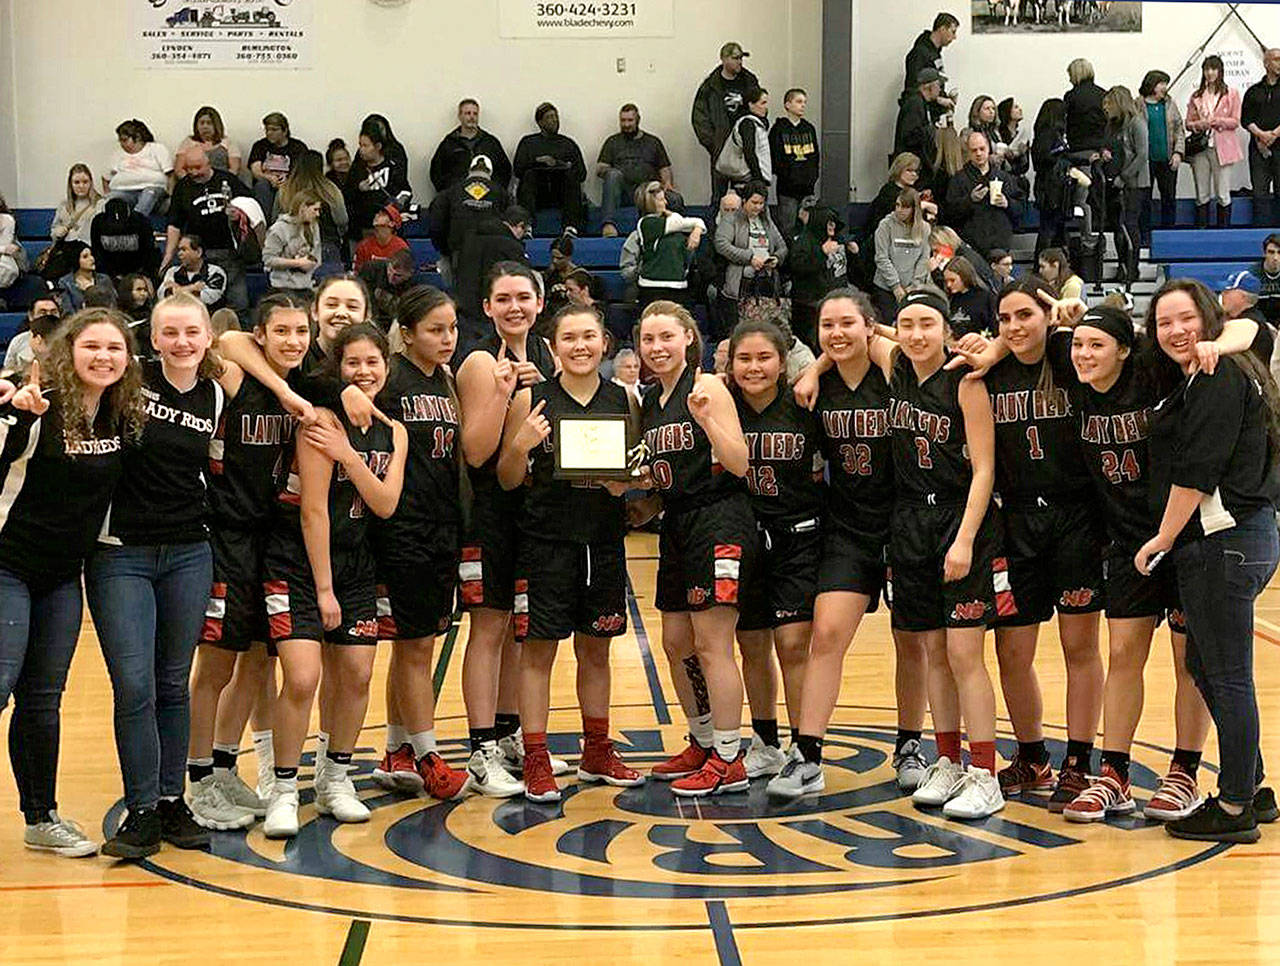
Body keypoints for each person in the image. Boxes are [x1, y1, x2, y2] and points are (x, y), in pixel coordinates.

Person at [953, 279, 1108, 810]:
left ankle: (1078, 761)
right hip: (1017, 521)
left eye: (1026, 315)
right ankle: (1033, 753)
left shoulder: (1070, 356)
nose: (1015, 327)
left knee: (1078, 646)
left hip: (1076, 518)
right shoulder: (991, 371)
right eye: (1005, 318)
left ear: (1047, 315)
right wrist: (991, 347)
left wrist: (1071, 318)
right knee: (1012, 650)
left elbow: (1099, 336)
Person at [86, 293, 231, 857]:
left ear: (207, 336)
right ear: (153, 338)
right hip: (120, 552)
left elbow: (245, 345)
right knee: (135, 685)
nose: (182, 343)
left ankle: (173, 802)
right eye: (170, 333)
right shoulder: (128, 380)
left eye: (192, 332)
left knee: (174, 683)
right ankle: (141, 808)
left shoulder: (215, 392)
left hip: (189, 551)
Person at [1136, 279, 1280, 843]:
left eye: (1186, 318)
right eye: (1164, 322)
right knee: (1205, 665)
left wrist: (1161, 540)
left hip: (1224, 542)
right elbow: (1258, 330)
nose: (1176, 331)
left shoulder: (1220, 376)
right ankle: (1255, 783)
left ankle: (1237, 803)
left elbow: (1195, 474)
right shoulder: (1200, 374)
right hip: (1234, 542)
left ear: (1210, 318)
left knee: (1225, 673)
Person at [0, 307, 145, 857]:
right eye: (92, 347)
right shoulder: (37, 404)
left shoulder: (118, 413)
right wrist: (15, 418)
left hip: (62, 576)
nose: (103, 356)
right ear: (68, 350)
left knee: (42, 699)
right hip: (7, 565)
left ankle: (42, 818)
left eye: (114, 348)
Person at [260, 323, 408, 838]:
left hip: (357, 564)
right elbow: (314, 513)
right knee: (301, 678)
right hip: (300, 563)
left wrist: (349, 456)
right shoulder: (318, 421)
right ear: (337, 371)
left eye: (373, 363)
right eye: (353, 364)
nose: (364, 372)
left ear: (386, 368)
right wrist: (323, 589)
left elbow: (386, 504)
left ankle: (334, 778)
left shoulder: (394, 431)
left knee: (358, 675)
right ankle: (281, 789)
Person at [496, 304, 644, 801]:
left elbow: (633, 479)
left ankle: (596, 750)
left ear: (604, 342)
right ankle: (536, 756)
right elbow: (506, 479)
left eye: (589, 337)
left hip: (602, 542)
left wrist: (622, 483)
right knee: (537, 653)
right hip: (545, 544)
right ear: (554, 346)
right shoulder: (532, 399)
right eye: (569, 338)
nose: (580, 346)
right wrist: (518, 445)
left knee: (596, 651)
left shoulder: (624, 398)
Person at [185, 294, 315, 831]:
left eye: (300, 332)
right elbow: (224, 341)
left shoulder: (312, 383)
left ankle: (222, 765)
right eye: (281, 331)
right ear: (262, 335)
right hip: (226, 534)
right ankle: (196, 781)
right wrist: (280, 386)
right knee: (216, 662)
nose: (293, 341)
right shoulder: (240, 379)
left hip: (275, 541)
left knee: (259, 659)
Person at [881, 289, 1006, 820]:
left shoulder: (967, 381)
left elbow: (984, 470)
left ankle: (985, 772)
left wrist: (964, 540)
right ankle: (948, 759)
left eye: (926, 324)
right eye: (905, 324)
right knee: (932, 652)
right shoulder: (897, 368)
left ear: (945, 328)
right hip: (908, 521)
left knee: (963, 656)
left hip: (959, 518)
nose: (914, 334)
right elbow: (858, 329)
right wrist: (816, 368)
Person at [629, 300, 756, 795]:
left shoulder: (706, 388)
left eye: (666, 337)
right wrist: (640, 500)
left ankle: (729, 756)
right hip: (678, 523)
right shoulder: (652, 401)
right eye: (647, 339)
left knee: (712, 644)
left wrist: (707, 421)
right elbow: (667, 471)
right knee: (676, 641)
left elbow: (740, 462)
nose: (656, 348)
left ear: (688, 338)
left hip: (720, 519)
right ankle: (702, 739)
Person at [455, 263, 569, 795]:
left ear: (540, 303)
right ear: (487, 308)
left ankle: (507, 735)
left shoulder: (550, 358)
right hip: (488, 512)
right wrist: (504, 394)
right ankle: (479, 749)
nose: (515, 307)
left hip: (536, 513)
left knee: (520, 634)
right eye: (504, 298)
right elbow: (476, 451)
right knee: (489, 628)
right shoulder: (481, 361)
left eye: (524, 297)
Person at [368, 287, 474, 800]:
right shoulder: (388, 378)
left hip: (441, 527)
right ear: (406, 333)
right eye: (435, 329)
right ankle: (429, 754)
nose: (447, 338)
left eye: (452, 328)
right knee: (414, 647)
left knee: (417, 646)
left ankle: (396, 748)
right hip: (401, 528)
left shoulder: (446, 380)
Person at [724, 319, 822, 779]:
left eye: (764, 358)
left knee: (793, 643)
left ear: (783, 363)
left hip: (798, 536)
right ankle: (765, 740)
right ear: (729, 363)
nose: (754, 367)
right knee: (751, 644)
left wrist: (818, 369)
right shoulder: (723, 405)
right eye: (744, 358)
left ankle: (807, 747)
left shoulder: (803, 402)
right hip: (744, 537)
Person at [163, 149, 251, 315]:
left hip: (230, 252)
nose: (194, 172)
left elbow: (250, 207)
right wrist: (169, 253)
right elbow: (174, 223)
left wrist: (238, 214)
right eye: (189, 168)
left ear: (208, 163)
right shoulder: (182, 187)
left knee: (238, 303)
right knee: (203, 305)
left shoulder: (227, 180)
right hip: (200, 255)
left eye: (198, 167)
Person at [713, 182, 787, 340]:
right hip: (741, 282)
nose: (758, 207)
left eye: (761, 203)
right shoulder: (731, 219)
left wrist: (776, 258)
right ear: (744, 200)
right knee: (740, 333)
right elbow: (721, 244)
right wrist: (749, 258)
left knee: (766, 332)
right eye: (754, 203)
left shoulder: (767, 221)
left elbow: (782, 246)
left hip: (766, 281)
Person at [597, 103, 682, 237]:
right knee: (613, 175)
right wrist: (611, 172)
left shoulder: (653, 142)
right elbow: (600, 168)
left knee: (675, 198)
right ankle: (608, 224)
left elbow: (664, 167)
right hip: (622, 192)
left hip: (649, 191)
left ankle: (674, 233)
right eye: (623, 120)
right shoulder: (612, 142)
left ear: (638, 120)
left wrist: (667, 183)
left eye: (630, 120)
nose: (626, 124)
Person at [692, 42, 761, 201]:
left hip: (746, 148)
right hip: (721, 147)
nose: (740, 62)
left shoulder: (749, 81)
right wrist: (713, 142)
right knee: (719, 196)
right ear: (723, 59)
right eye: (735, 58)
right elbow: (699, 117)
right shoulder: (710, 85)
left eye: (741, 58)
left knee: (748, 196)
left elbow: (759, 107)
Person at [454, 206, 531, 342]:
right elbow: (524, 278)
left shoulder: (468, 239)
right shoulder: (511, 247)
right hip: (493, 311)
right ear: (520, 226)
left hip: (465, 307)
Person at [946, 130, 1024, 258]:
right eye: (974, 150)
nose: (979, 153)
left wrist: (1007, 203)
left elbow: (1021, 209)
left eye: (982, 149)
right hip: (971, 248)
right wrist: (970, 200)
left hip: (1000, 247)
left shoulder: (1004, 177)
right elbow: (949, 214)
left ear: (988, 149)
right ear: (968, 152)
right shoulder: (959, 180)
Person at [789, 204, 857, 350]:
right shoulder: (804, 241)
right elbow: (797, 268)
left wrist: (854, 254)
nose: (832, 226)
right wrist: (821, 253)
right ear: (820, 221)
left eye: (834, 222)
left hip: (838, 299)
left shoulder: (839, 240)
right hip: (812, 305)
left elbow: (850, 270)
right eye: (828, 222)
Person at [1186, 55, 1243, 228]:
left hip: (1223, 148)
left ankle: (1223, 230)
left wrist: (1219, 121)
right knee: (1201, 192)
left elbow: (1235, 121)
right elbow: (1188, 123)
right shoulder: (1196, 96)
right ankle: (1202, 229)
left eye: (1213, 69)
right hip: (1201, 148)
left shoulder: (1231, 94)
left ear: (1220, 71)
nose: (1210, 73)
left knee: (1222, 191)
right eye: (1206, 69)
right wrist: (1200, 124)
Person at [513, 103, 587, 234]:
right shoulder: (528, 142)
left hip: (561, 194)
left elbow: (582, 174)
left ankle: (571, 227)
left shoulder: (568, 143)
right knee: (529, 175)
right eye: (549, 117)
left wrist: (560, 164)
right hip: (536, 194)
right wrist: (537, 162)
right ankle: (527, 226)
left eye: (556, 117)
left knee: (570, 176)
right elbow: (518, 170)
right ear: (540, 122)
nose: (554, 120)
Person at [632, 181, 705, 311]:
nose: (665, 202)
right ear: (650, 202)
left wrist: (697, 231)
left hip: (678, 286)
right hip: (652, 287)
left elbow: (700, 224)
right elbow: (687, 222)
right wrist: (696, 226)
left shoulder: (671, 222)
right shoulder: (647, 223)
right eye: (661, 200)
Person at [276, 150, 349, 276]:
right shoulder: (330, 190)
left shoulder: (285, 191)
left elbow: (276, 221)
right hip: (326, 245)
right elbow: (342, 219)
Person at [1103, 85, 1148, 288]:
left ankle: (1132, 266)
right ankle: (1122, 265)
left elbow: (1142, 154)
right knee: (1118, 226)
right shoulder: (1112, 125)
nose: (1106, 108)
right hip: (1115, 181)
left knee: (1130, 225)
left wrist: (1125, 175)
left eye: (1109, 103)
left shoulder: (1136, 123)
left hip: (1134, 183)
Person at [428, 155, 503, 271]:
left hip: (459, 251)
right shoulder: (502, 194)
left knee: (462, 287)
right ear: (490, 172)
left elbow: (436, 223)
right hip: (492, 253)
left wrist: (445, 250)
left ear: (469, 170)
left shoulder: (450, 192)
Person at [872, 188, 932, 327]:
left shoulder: (924, 228)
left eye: (905, 207)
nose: (899, 210)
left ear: (913, 209)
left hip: (912, 287)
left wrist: (914, 285)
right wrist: (896, 286)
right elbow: (881, 258)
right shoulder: (885, 225)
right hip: (886, 288)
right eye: (897, 205)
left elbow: (924, 259)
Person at [347, 117, 413, 238]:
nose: (361, 150)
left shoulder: (393, 161)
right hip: (363, 226)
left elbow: (405, 190)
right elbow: (347, 195)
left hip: (389, 225)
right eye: (360, 145)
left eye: (366, 146)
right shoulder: (358, 166)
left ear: (378, 146)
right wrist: (359, 188)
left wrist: (395, 205)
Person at [430, 99, 512, 195]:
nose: (472, 117)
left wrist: (496, 190)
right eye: (468, 113)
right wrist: (448, 192)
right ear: (460, 116)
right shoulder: (449, 143)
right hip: (457, 196)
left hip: (488, 196)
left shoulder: (491, 142)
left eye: (475, 114)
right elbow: (436, 172)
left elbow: (505, 170)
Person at [1140, 70, 1186, 232]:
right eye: (1162, 83)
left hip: (1167, 159)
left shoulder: (1170, 104)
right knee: (1144, 199)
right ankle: (1144, 235)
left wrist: (1178, 153)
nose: (1165, 87)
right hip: (1145, 161)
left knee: (1169, 198)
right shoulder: (1138, 105)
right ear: (1152, 85)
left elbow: (1179, 129)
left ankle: (1169, 233)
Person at [770, 89, 820, 235]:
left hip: (808, 189)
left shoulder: (809, 129)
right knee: (788, 228)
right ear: (787, 105)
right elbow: (775, 158)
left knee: (808, 228)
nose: (803, 105)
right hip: (787, 190)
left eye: (804, 102)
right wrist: (788, 176)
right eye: (798, 102)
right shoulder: (778, 130)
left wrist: (812, 178)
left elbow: (815, 158)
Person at [1243, 49, 1280, 227]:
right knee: (1260, 193)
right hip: (1258, 148)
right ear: (1266, 63)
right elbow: (1246, 120)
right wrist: (1261, 135)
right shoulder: (1253, 91)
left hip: (1279, 145)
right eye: (1276, 60)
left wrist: (1274, 134)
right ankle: (1261, 233)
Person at [104, 119, 172, 217]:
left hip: (152, 189)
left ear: (137, 137)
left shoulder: (156, 149)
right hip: (125, 191)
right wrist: (108, 193)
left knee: (148, 194)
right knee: (110, 199)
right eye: (120, 141)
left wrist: (170, 194)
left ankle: (136, 224)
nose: (122, 144)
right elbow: (106, 178)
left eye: (125, 140)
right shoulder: (118, 154)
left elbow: (170, 173)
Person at [248, 112, 308, 216]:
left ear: (285, 131)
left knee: (286, 190)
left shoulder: (298, 147)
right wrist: (269, 177)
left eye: (274, 130)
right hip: (266, 183)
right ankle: (264, 223)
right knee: (262, 185)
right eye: (267, 130)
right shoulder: (260, 146)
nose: (269, 133)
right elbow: (255, 170)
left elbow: (301, 172)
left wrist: (287, 181)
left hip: (289, 184)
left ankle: (279, 225)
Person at [263, 193, 322, 295]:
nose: (317, 214)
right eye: (315, 209)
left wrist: (311, 262)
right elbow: (268, 259)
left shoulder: (313, 227)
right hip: (282, 287)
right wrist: (297, 263)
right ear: (303, 208)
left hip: (306, 285)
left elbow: (316, 255)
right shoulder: (279, 228)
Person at [902, 12, 959, 119]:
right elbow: (913, 87)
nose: (955, 37)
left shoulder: (935, 53)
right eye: (953, 32)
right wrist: (939, 100)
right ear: (942, 29)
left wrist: (946, 97)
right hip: (918, 114)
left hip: (931, 113)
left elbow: (934, 82)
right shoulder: (919, 53)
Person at [90, 197, 159, 281]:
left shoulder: (141, 221)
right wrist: (109, 276)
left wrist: (144, 276)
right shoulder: (98, 222)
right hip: (108, 274)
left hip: (138, 272)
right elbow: (97, 253)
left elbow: (150, 252)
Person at [895, 70, 944, 188]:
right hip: (912, 166)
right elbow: (910, 136)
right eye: (938, 85)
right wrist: (932, 129)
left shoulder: (921, 103)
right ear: (929, 87)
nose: (940, 90)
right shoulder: (915, 104)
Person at [159, 234, 228, 312]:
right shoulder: (172, 272)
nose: (179, 254)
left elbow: (209, 298)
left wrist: (177, 290)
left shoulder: (215, 272)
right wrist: (192, 288)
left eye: (184, 250)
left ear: (198, 252)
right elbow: (164, 296)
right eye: (179, 250)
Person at [175, 106, 242, 179]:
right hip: (194, 182)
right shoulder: (188, 142)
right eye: (202, 123)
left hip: (222, 182)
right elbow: (179, 170)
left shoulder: (228, 142)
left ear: (216, 125)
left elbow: (234, 169)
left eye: (209, 123)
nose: (205, 127)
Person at [360, 248, 417, 330]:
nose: (391, 277)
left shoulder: (412, 286)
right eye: (390, 271)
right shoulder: (371, 269)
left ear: (409, 274)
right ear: (388, 263)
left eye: (398, 275)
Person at [2, 296, 61, 376]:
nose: (48, 316)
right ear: (31, 316)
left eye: (53, 312)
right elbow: (8, 371)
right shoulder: (18, 340)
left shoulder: (69, 340)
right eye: (43, 312)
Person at [941, 254, 996, 337]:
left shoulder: (985, 297)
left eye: (952, 280)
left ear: (964, 276)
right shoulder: (949, 299)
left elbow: (994, 327)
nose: (948, 285)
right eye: (946, 281)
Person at [51, 164, 102, 248]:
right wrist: (57, 232)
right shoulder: (64, 205)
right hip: (66, 248)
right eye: (76, 182)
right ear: (70, 184)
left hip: (89, 251)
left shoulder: (99, 204)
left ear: (91, 183)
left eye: (85, 182)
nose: (81, 186)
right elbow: (54, 230)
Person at [1064, 58, 1108, 155]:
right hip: (1101, 145)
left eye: (1070, 75)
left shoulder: (1071, 96)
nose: (1070, 79)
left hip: (1078, 146)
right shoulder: (1103, 94)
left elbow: (1067, 120)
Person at [57, 243, 114, 314]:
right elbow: (67, 311)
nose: (92, 259)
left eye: (91, 255)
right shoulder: (65, 282)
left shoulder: (104, 279)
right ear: (76, 260)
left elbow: (113, 305)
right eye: (85, 257)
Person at [353, 206, 410, 274]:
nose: (376, 216)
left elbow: (403, 275)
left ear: (392, 223)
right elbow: (357, 273)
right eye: (377, 213)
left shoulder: (401, 247)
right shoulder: (363, 246)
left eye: (382, 214)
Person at [1257, 233, 1280, 329]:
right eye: (1271, 252)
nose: (1275, 258)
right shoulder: (1253, 276)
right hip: (1260, 326)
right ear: (1264, 253)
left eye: (1279, 253)